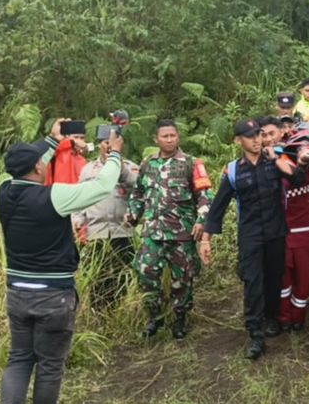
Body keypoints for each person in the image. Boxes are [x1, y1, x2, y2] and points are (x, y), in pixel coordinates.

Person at [0, 120, 125, 404]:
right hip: (53, 294)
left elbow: (33, 161)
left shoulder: (4, 193)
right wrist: (114, 156)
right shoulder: (55, 196)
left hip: (17, 291)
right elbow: (102, 186)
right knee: (50, 364)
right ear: (38, 167)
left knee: (20, 358)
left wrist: (53, 140)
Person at [201, 118, 301, 360]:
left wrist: (275, 157)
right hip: (251, 235)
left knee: (274, 278)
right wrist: (206, 239)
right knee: (252, 281)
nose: (256, 140)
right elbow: (218, 207)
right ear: (238, 141)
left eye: (258, 134)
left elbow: (298, 179)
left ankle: (271, 318)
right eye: (250, 136)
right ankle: (255, 333)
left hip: (276, 232)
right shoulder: (234, 170)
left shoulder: (275, 159)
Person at [127, 119, 213, 341]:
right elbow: (137, 193)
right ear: (156, 139)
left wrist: (201, 220)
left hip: (181, 234)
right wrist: (133, 214)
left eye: (172, 135)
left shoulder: (191, 164)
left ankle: (180, 319)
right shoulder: (147, 165)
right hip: (152, 233)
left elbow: (204, 195)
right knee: (145, 272)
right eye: (164, 136)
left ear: (178, 137)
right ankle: (154, 317)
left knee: (183, 278)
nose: (169, 139)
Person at [72, 127, 141, 310]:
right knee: (98, 278)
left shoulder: (130, 167)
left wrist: (117, 165)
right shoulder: (88, 170)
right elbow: (80, 197)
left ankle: (121, 313)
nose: (109, 146)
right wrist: (77, 219)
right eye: (105, 142)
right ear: (99, 144)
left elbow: (138, 188)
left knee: (123, 275)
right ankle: (99, 315)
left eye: (113, 143)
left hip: (122, 232)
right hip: (96, 233)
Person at [276, 129, 309, 332]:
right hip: (285, 235)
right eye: (301, 149)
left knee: (305, 281)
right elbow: (294, 174)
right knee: (283, 282)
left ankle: (298, 318)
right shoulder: (280, 167)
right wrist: (301, 162)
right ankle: (283, 317)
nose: (306, 151)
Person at [44, 120, 88, 185]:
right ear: (65, 137)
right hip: (56, 192)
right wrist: (73, 142)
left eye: (82, 138)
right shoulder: (57, 152)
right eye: (76, 137)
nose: (79, 141)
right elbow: (58, 145)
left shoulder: (82, 160)